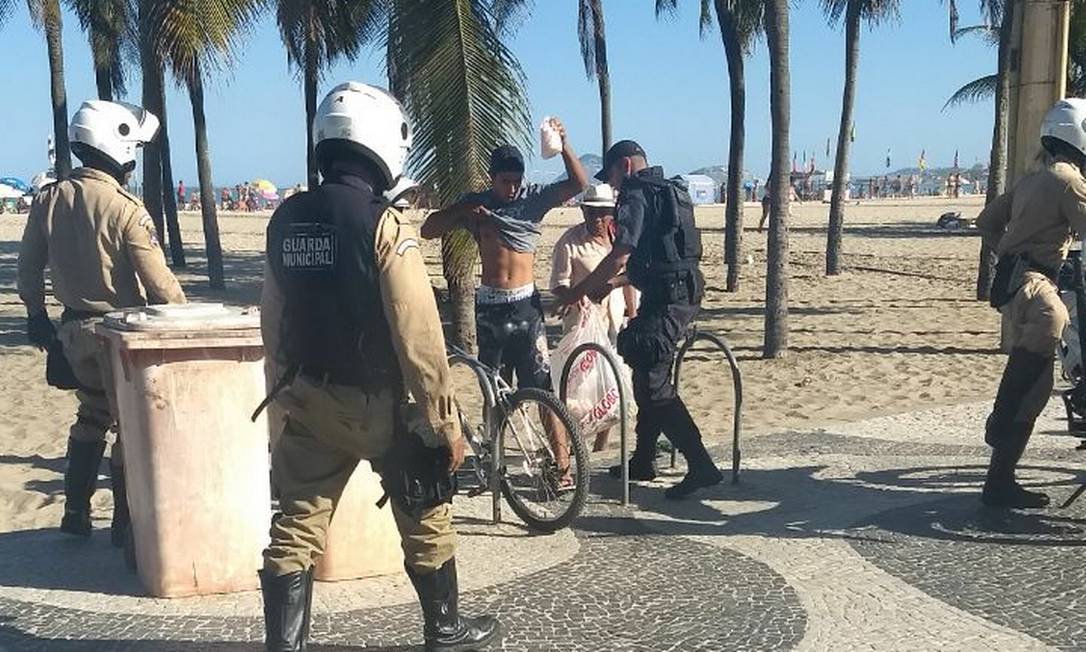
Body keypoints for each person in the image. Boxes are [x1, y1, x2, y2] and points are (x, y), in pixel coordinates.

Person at [258, 81, 499, 652]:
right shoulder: (383, 225)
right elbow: (419, 334)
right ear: (382, 144)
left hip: (310, 398)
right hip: (382, 406)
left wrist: (283, 392)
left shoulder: (285, 220)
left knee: (295, 526)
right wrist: (444, 422)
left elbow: (274, 319)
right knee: (427, 514)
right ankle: (445, 629)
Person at [17, 100, 186, 543]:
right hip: (118, 333)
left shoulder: (49, 198)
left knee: (90, 415)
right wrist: (184, 319)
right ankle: (124, 524)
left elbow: (28, 267)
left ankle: (75, 510)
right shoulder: (125, 208)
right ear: (117, 146)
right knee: (128, 426)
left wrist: (37, 316)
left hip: (71, 331)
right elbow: (160, 283)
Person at [420, 119, 589, 479]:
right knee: (492, 387)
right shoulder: (476, 203)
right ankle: (494, 463)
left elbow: (578, 183)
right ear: (492, 179)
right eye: (505, 182)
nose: (512, 189)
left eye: (516, 181)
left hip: (525, 305)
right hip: (491, 307)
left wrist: (564, 144)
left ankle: (561, 467)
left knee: (541, 386)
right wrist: (464, 212)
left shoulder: (533, 199)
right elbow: (429, 229)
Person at [558, 140, 723, 500]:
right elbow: (660, 261)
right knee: (644, 367)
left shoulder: (636, 192)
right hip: (681, 290)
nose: (614, 187)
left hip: (669, 299)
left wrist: (580, 290)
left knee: (652, 383)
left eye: (614, 178)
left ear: (627, 167)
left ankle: (701, 465)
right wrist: (612, 285)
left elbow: (621, 254)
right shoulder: (670, 190)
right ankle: (645, 458)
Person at [976, 98, 1086, 509]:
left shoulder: (1031, 178)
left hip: (1012, 279)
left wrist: (1007, 250)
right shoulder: (1067, 180)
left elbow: (986, 222)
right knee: (1053, 315)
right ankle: (1000, 417)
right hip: (1034, 281)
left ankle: (998, 483)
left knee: (1036, 390)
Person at [550, 183, 638, 451]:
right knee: (578, 392)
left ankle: (601, 445)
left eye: (603, 213)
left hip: (613, 321)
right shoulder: (570, 242)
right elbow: (558, 283)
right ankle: (570, 445)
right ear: (584, 212)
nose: (598, 219)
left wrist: (630, 309)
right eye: (592, 213)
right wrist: (574, 295)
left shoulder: (619, 239)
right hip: (582, 323)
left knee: (611, 384)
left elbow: (629, 277)